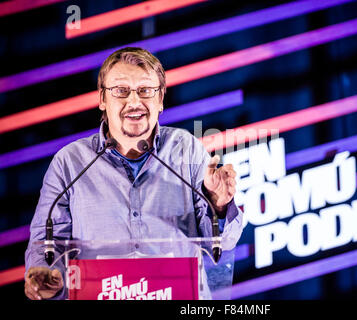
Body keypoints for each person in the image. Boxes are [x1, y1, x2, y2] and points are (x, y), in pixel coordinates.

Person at [24, 47, 244, 300]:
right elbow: (47, 244)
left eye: (145, 90)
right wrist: (47, 277)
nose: (134, 101)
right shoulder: (70, 163)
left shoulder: (187, 150)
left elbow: (222, 244)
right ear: (102, 99)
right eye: (121, 91)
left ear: (160, 99)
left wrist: (219, 205)